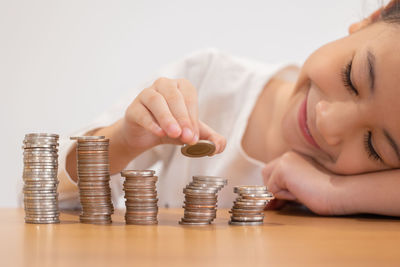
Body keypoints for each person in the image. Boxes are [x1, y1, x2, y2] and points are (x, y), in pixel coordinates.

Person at [59, 1, 400, 216]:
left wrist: (335, 195)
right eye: (352, 77)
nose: (328, 123)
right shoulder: (207, 80)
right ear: (371, 18)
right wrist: (123, 141)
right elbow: (58, 196)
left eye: (374, 146)